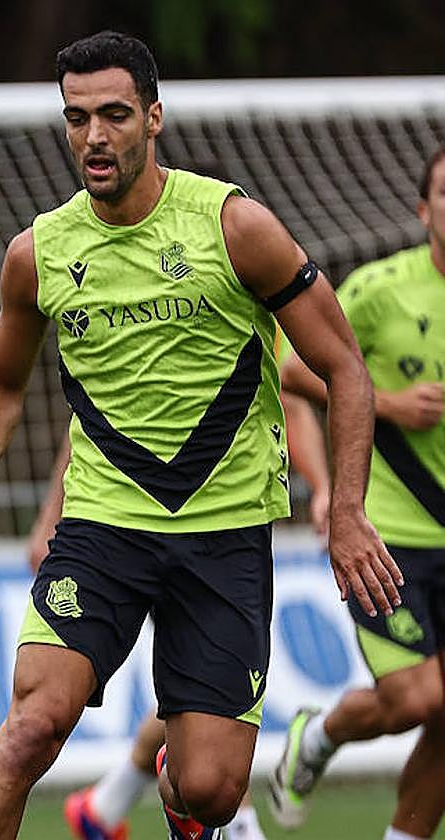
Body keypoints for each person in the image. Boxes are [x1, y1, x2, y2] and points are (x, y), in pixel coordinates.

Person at [0, 30, 399, 840]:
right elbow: (3, 380)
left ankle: (184, 814)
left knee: (210, 789)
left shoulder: (235, 227)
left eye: (113, 114)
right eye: (77, 118)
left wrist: (346, 509)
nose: (94, 136)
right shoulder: (37, 254)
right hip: (102, 528)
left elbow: (345, 368)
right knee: (33, 726)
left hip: (223, 532)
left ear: (154, 118)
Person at [49, 345, 332, 840]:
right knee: (208, 691)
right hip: (139, 532)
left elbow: (289, 396)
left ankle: (104, 805)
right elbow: (94, 417)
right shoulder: (134, 304)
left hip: (219, 532)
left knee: (194, 696)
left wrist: (323, 485)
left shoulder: (250, 291)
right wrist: (51, 519)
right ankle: (238, 827)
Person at [269, 145, 445, 840]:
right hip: (394, 531)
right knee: (418, 698)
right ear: (423, 209)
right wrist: (392, 406)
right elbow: (293, 368)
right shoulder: (381, 289)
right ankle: (319, 737)